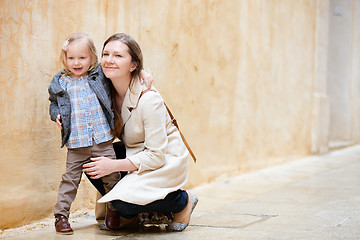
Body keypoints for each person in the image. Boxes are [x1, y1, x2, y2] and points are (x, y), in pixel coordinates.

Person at [83, 33, 198, 232]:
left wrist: (112, 165)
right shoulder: (104, 88)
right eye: (106, 54)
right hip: (135, 151)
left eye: (118, 56)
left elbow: (156, 155)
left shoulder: (149, 99)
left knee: (122, 203)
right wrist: (61, 117)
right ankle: (133, 215)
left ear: (133, 64)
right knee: (89, 158)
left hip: (163, 157)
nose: (110, 60)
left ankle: (182, 201)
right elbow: (75, 74)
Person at [48, 32, 153, 235]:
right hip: (77, 142)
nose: (76, 63)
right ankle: (61, 215)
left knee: (111, 177)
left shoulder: (98, 76)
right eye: (71, 58)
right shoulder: (60, 82)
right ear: (65, 59)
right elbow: (54, 103)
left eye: (82, 58)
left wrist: (142, 73)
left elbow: (123, 71)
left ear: (92, 58)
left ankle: (114, 211)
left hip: (102, 139)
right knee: (70, 179)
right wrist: (57, 115)